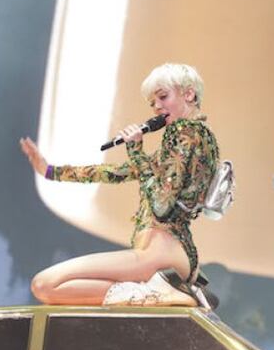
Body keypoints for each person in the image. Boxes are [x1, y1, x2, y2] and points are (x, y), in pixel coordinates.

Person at [20, 63, 219, 307]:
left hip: (162, 253)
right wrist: (50, 171)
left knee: (46, 284)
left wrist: (135, 149)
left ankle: (166, 293)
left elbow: (161, 205)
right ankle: (160, 292)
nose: (157, 107)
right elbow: (118, 172)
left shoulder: (187, 134)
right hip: (168, 255)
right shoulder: (192, 139)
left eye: (163, 96)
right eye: (152, 102)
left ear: (188, 94)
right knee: (49, 287)